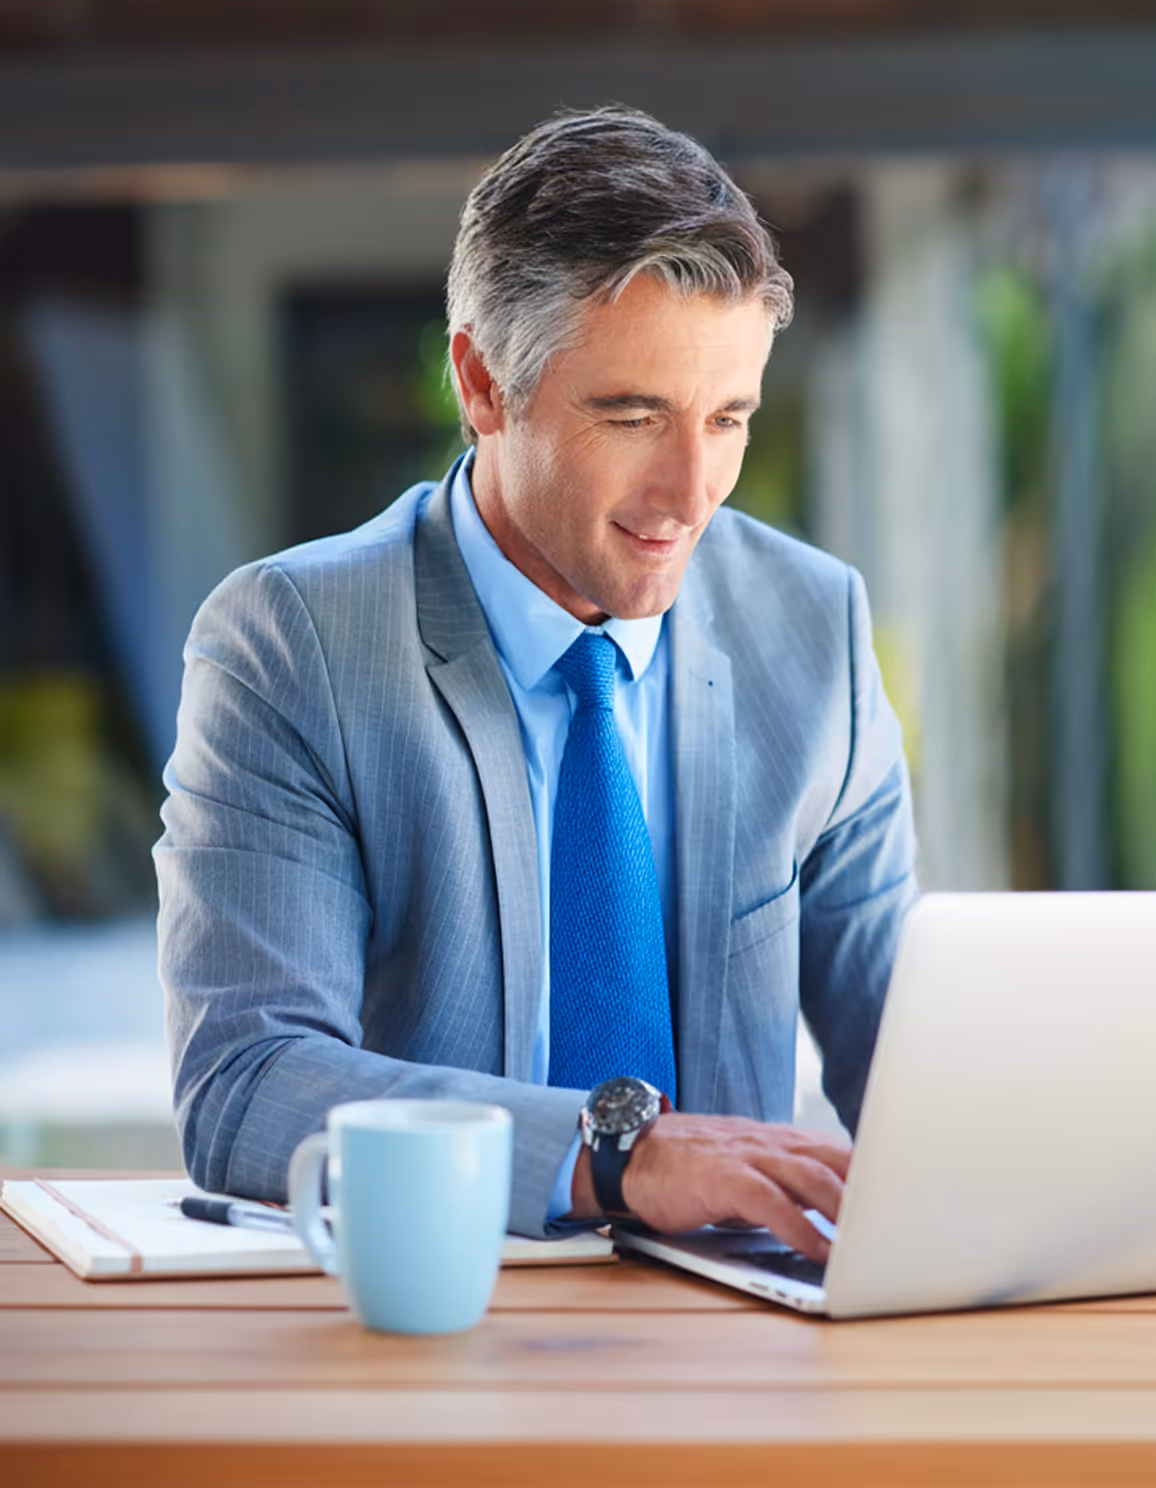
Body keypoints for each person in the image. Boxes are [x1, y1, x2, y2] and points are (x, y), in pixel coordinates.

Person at [155, 107, 918, 1259]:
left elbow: (911, 1059)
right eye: (632, 415)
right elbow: (249, 1082)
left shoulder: (813, 627)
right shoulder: (292, 643)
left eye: (728, 419)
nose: (689, 490)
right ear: (479, 381)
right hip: (438, 1322)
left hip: (746, 1341)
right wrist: (615, 1155)